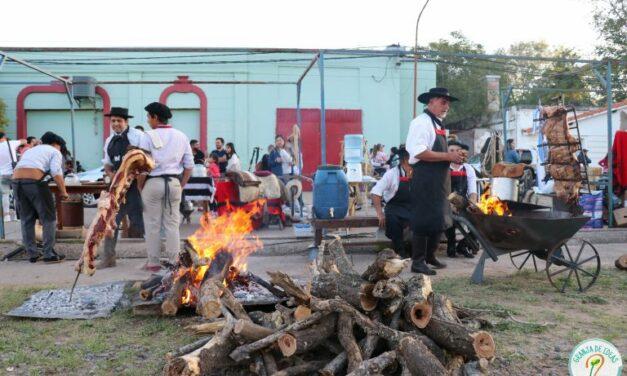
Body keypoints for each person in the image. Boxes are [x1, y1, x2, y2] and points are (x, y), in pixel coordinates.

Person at [406, 87, 464, 275]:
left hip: (439, 178)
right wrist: (448, 155)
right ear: (430, 102)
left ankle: (430, 256)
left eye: (448, 102)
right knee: (423, 219)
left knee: (438, 218)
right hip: (425, 177)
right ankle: (418, 261)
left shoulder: (438, 124)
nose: (446, 106)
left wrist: (451, 156)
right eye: (442, 101)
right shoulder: (421, 123)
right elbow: (419, 152)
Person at [138, 102, 194, 272]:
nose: (148, 120)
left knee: (152, 223)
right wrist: (181, 185)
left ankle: (153, 262)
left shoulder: (146, 136)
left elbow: (142, 167)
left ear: (155, 117)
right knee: (172, 224)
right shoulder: (181, 136)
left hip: (153, 183)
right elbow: (189, 166)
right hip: (174, 182)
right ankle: (174, 261)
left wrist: (141, 187)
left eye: (149, 117)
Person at [98, 107, 145, 268]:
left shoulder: (137, 136)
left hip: (136, 186)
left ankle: (154, 259)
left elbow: (145, 159)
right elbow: (107, 164)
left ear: (126, 121)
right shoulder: (109, 140)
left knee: (143, 222)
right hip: (117, 187)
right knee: (111, 221)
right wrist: (113, 176)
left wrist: (137, 180)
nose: (116, 123)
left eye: (119, 120)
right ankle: (108, 258)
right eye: (113, 121)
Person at [12, 131, 68, 263]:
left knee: (27, 219)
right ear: (56, 144)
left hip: (16, 181)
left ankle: (32, 253)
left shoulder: (32, 150)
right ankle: (48, 254)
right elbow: (56, 172)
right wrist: (63, 192)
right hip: (34, 182)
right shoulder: (55, 151)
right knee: (48, 218)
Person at [371, 148, 413, 257]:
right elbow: (375, 192)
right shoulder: (391, 174)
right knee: (393, 221)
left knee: (422, 220)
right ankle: (399, 250)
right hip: (394, 206)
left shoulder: (419, 173)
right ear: (405, 160)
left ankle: (415, 249)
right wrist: (380, 214)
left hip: (413, 206)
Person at [445, 141, 476, 258]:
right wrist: (450, 205)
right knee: (449, 218)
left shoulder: (468, 169)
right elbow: (441, 190)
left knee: (480, 220)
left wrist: (472, 203)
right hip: (446, 202)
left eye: (458, 151)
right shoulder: (444, 168)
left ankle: (463, 245)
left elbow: (473, 191)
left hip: (463, 202)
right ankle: (451, 244)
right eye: (451, 151)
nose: (456, 154)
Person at [0, 133, 26, 221]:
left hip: (2, 174)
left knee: (5, 194)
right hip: (13, 173)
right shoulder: (11, 143)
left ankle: (6, 216)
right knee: (16, 194)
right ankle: (16, 216)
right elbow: (24, 141)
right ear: (4, 137)